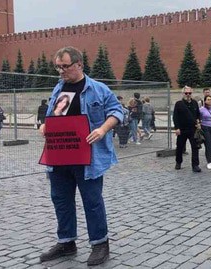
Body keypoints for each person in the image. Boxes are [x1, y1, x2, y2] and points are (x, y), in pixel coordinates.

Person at [38, 46, 123, 266]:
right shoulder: (58, 88)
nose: (61, 71)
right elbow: (53, 116)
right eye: (58, 67)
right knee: (61, 200)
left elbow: (116, 111)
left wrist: (103, 129)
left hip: (87, 157)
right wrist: (45, 126)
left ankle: (100, 244)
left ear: (79, 64)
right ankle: (66, 242)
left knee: (92, 201)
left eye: (65, 66)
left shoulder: (97, 89)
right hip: (59, 154)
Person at [173, 86, 201, 172]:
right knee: (180, 147)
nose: (188, 95)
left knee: (195, 147)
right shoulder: (179, 104)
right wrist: (177, 128)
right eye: (186, 93)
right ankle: (178, 162)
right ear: (183, 93)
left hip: (193, 129)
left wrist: (199, 122)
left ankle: (195, 165)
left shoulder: (195, 103)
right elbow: (175, 116)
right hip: (182, 129)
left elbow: (198, 114)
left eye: (189, 93)